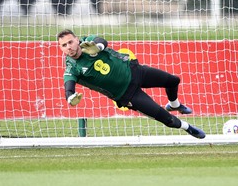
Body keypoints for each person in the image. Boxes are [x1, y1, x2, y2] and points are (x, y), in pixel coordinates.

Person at [56, 29, 206, 139]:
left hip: (135, 71)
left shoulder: (88, 42)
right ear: (61, 49)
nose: (68, 47)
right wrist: (71, 97)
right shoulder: (72, 68)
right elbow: (69, 87)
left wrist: (98, 48)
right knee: (169, 120)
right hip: (127, 94)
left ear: (77, 40)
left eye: (70, 42)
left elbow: (102, 41)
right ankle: (188, 128)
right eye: (64, 45)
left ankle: (174, 104)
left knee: (174, 80)